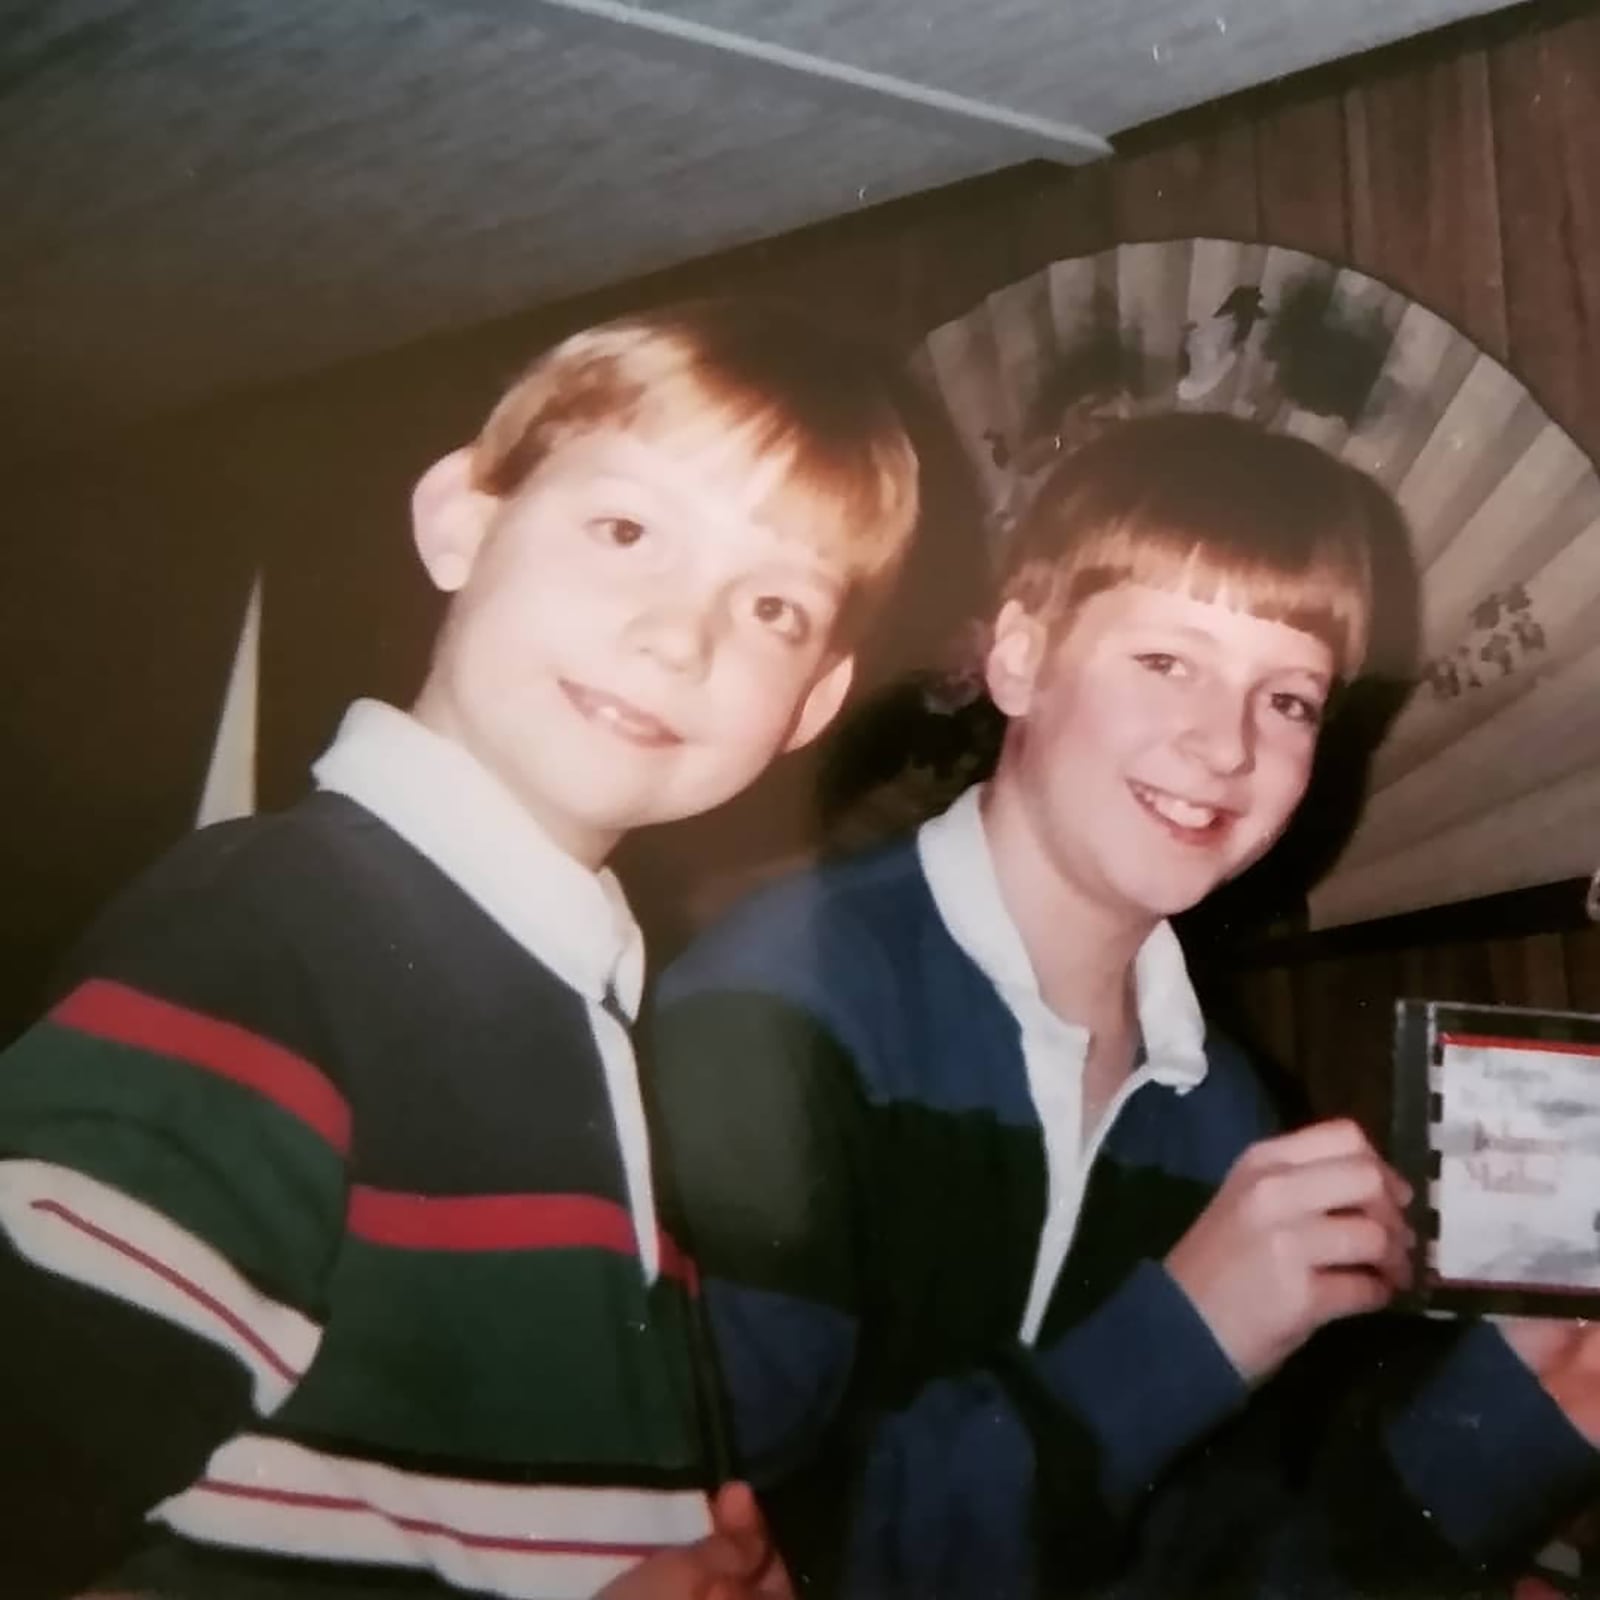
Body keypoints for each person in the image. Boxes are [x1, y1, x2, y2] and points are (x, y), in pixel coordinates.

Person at [0, 298, 920, 1599]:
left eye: (774, 606)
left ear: (814, 704)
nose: (680, 632)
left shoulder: (582, 1021)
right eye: (626, 530)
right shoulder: (267, 937)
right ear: (463, 523)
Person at [647, 412, 1600, 1598]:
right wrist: (1186, 1331)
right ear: (1017, 661)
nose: (1223, 745)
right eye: (1165, 661)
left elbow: (1214, 1575)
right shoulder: (781, 1011)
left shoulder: (1226, 1115)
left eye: (1290, 698)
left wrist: (1534, 1394)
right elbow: (729, 1552)